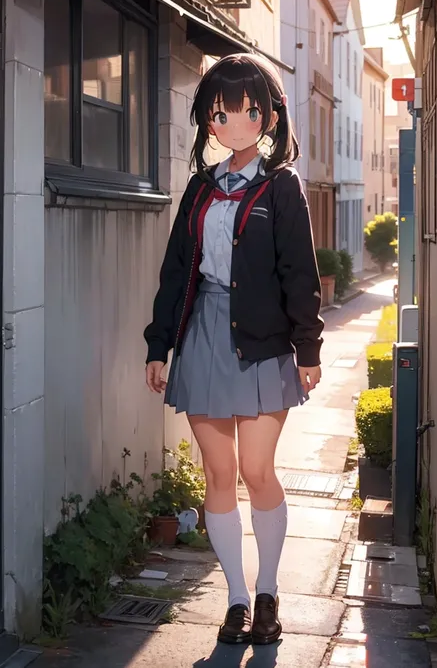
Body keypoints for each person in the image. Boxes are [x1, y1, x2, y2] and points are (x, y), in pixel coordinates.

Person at [144, 53, 324, 646]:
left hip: (265, 341)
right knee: (218, 475)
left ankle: (269, 590)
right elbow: (176, 272)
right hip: (203, 337)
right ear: (208, 120)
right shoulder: (200, 189)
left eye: (249, 109)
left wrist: (308, 347)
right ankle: (238, 599)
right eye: (220, 111)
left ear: (268, 116)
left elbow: (300, 273)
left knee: (256, 470)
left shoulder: (283, 186)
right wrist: (159, 343)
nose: (234, 121)